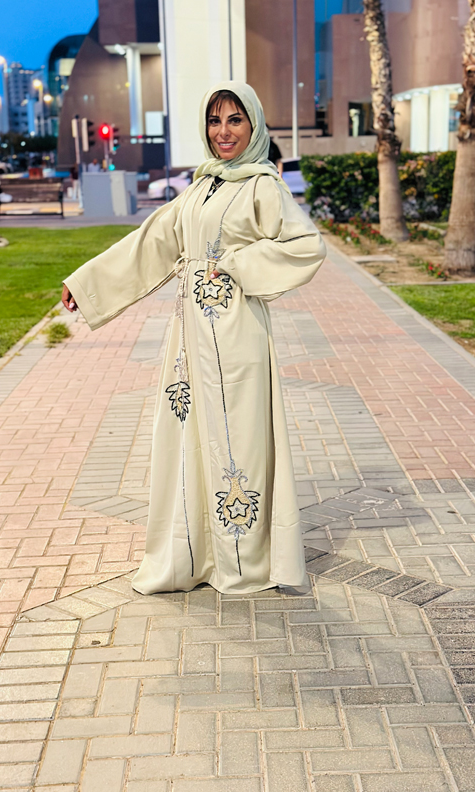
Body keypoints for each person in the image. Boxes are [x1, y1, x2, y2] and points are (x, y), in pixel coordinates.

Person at [61, 81, 326, 595]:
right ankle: (194, 554)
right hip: (190, 343)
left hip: (237, 338)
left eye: (235, 120)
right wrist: (87, 283)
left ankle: (243, 562)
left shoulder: (262, 185)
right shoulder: (203, 184)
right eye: (214, 120)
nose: (223, 132)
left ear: (254, 125)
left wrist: (236, 263)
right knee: (190, 441)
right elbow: (153, 240)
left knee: (237, 441)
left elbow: (305, 246)